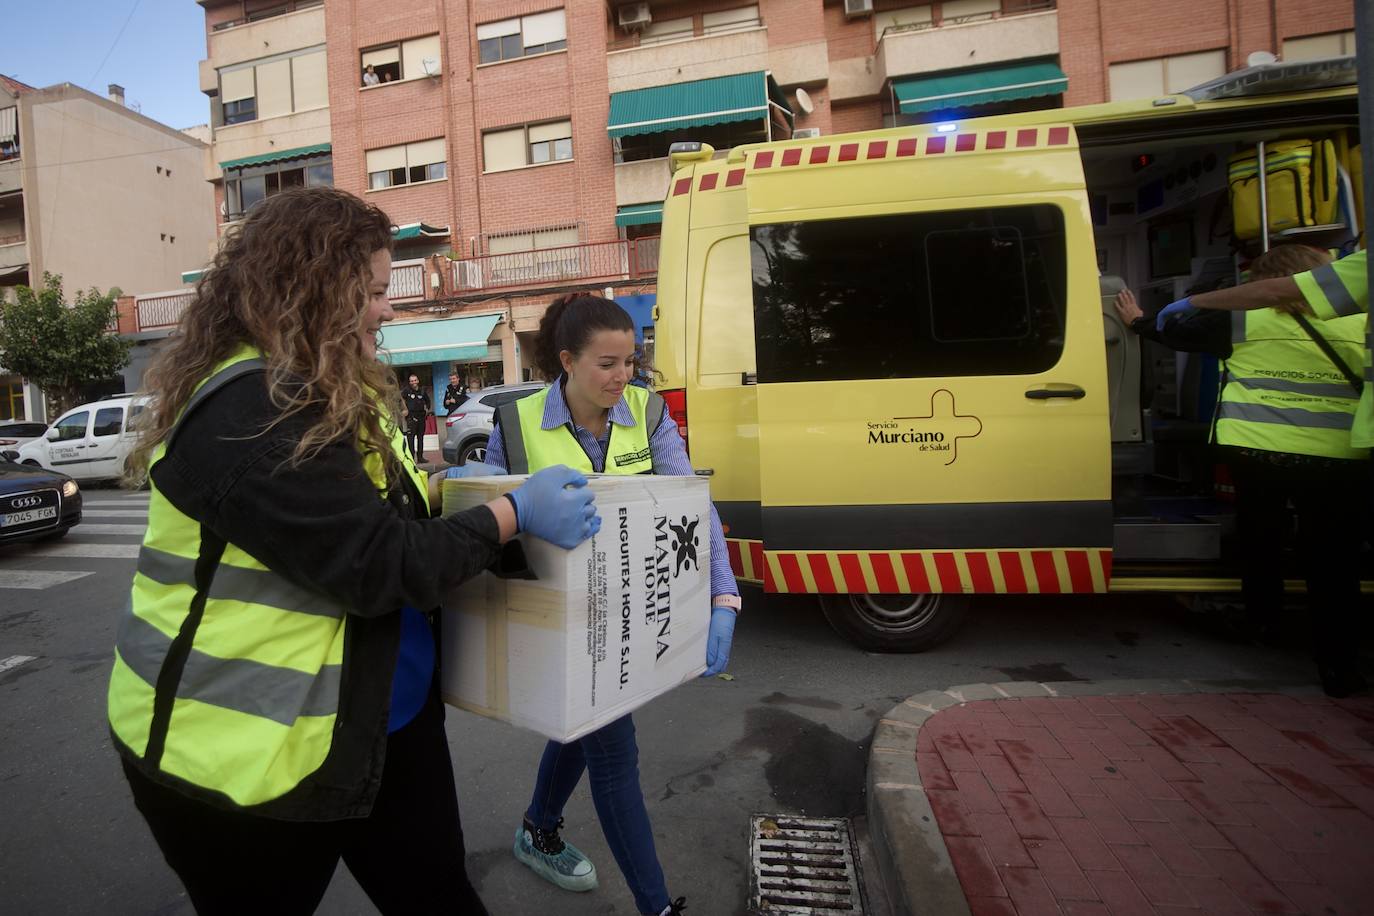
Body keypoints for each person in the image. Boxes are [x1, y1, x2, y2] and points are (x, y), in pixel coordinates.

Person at [107, 187, 601, 915]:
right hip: (243, 765)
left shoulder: (327, 388)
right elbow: (379, 565)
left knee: (439, 898)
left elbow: (371, 513)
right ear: (313, 289)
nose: (388, 309)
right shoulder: (252, 411)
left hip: (379, 721)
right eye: (372, 291)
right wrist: (511, 514)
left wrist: (442, 491)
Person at [481, 293, 740, 916]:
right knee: (614, 751)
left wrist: (722, 592)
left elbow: (691, 502)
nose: (623, 376)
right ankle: (657, 907)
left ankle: (537, 829)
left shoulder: (647, 414)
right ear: (566, 361)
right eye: (607, 363)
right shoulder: (514, 427)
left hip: (627, 609)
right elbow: (485, 523)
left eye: (631, 361)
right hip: (555, 618)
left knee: (583, 725)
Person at [1127, 246, 1370, 697]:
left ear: (1261, 282)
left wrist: (1139, 319)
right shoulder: (1360, 324)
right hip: (1339, 457)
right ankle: (1339, 667)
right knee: (1334, 563)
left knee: (1262, 541)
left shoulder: (1240, 322)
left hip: (1260, 453)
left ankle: (1265, 622)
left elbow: (1174, 332)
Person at [401, 373, 431, 462]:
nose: (413, 382)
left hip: (421, 417)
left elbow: (428, 401)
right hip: (411, 418)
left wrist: (427, 409)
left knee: (420, 438)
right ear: (409, 382)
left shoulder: (422, 391)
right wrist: (404, 410)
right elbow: (400, 400)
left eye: (415, 380)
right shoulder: (406, 391)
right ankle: (411, 459)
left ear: (418, 381)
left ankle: (420, 457)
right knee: (410, 439)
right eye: (411, 381)